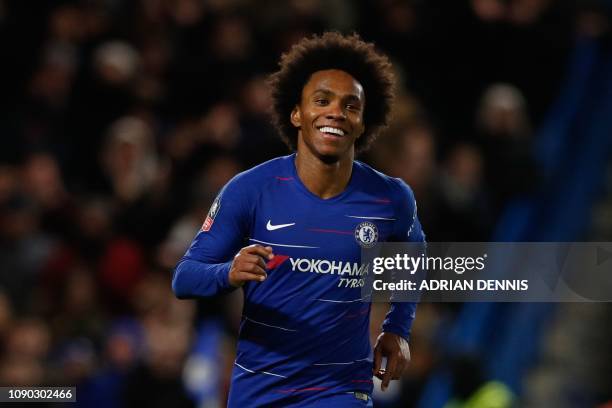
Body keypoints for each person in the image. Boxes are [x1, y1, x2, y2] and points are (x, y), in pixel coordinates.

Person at [172, 32, 425, 407]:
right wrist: (227, 272)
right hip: (260, 389)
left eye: (350, 105)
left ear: (361, 120)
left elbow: (414, 255)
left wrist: (397, 329)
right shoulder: (250, 190)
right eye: (322, 100)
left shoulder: (390, 198)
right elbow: (184, 278)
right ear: (297, 114)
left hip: (340, 389)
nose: (336, 112)